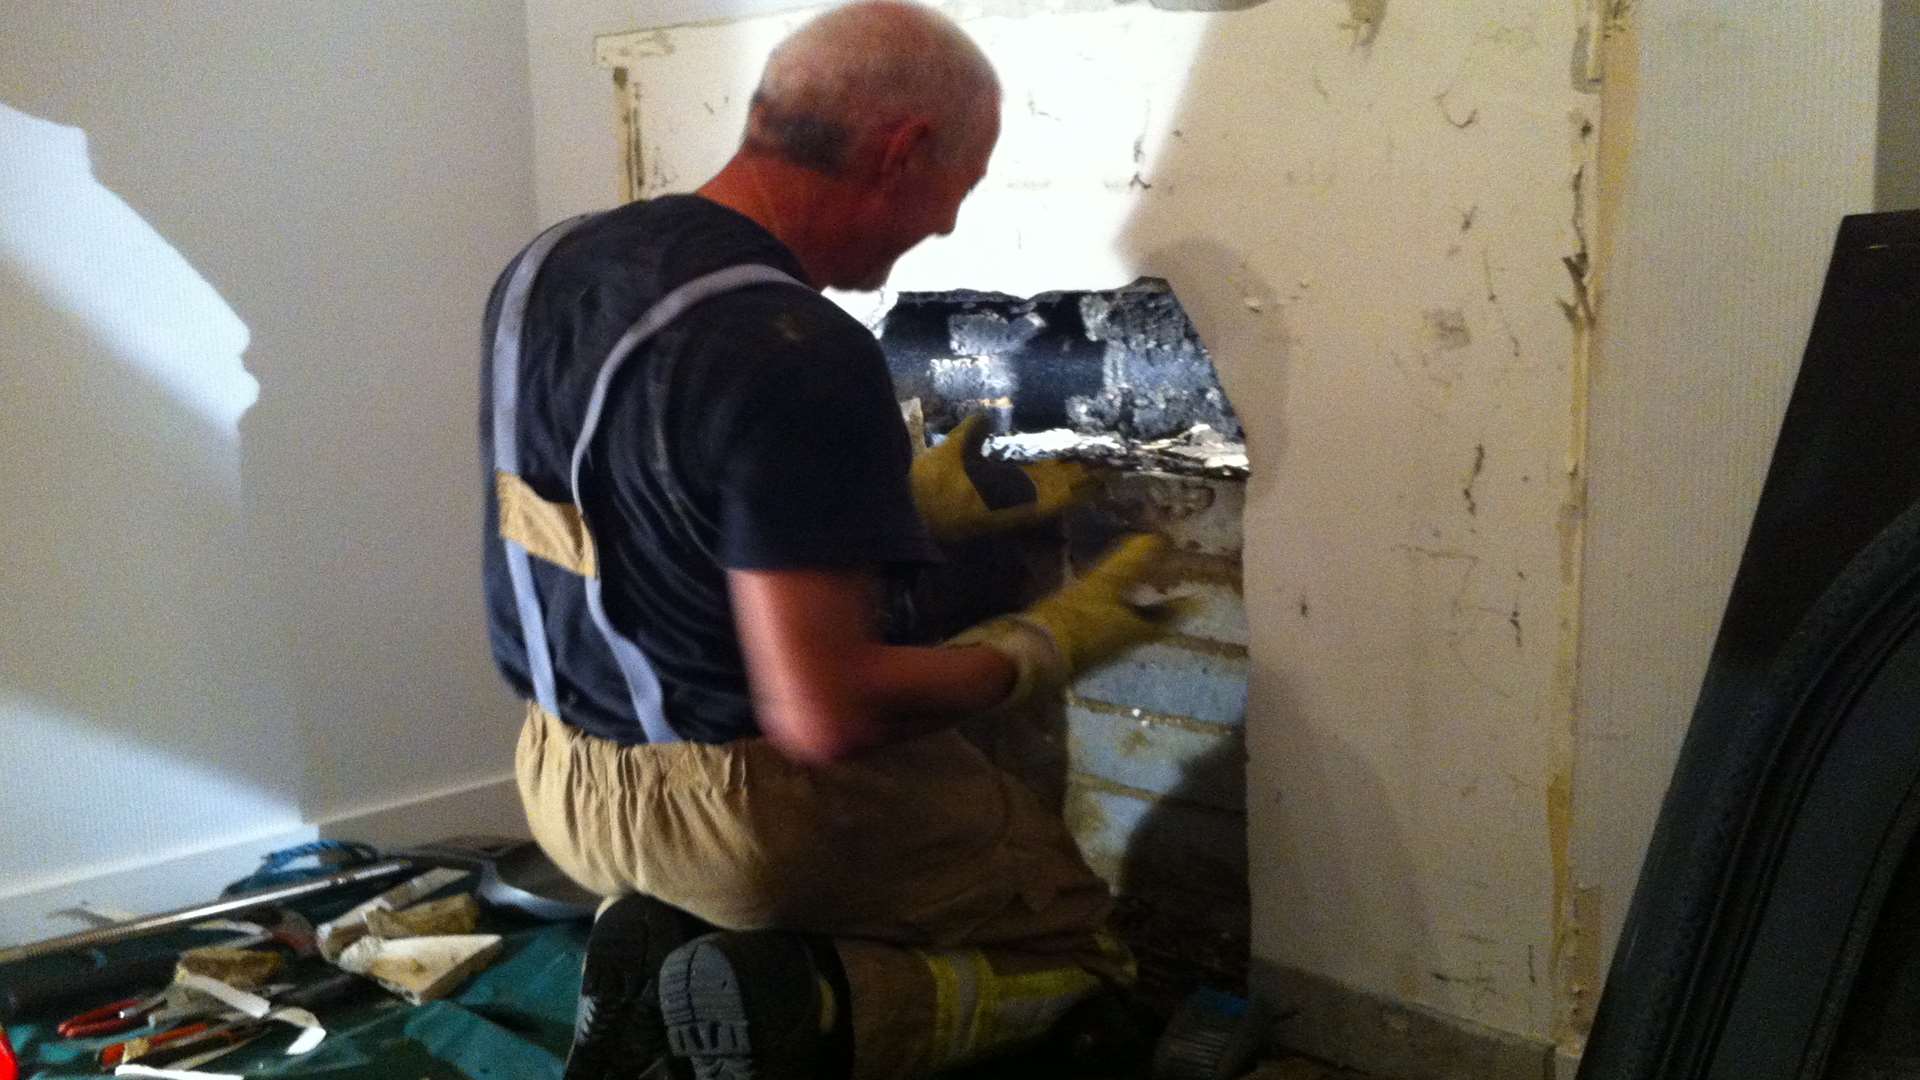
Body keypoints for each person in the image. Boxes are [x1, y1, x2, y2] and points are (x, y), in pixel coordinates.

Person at [480, 4, 1180, 1078]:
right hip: (739, 816)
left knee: (803, 866)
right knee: (1075, 944)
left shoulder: (551, 267)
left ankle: (671, 946)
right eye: (963, 183)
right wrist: (1044, 646)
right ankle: (807, 1002)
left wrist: (891, 512)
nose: (945, 227)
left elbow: (634, 512)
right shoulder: (801, 348)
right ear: (905, 153)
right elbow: (825, 715)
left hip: (560, 782)